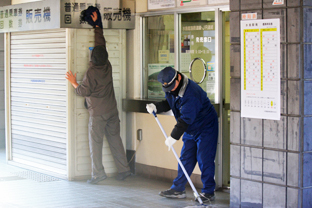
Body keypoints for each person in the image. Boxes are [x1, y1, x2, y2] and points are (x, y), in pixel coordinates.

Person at [65, 6, 131, 184]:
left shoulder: (91, 72)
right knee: (115, 139)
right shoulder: (107, 64)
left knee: (96, 143)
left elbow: (83, 91)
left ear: (92, 58)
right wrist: (97, 27)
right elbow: (102, 45)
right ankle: (124, 170)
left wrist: (73, 81)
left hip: (98, 114)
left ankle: (98, 174)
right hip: (112, 110)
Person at [146, 66, 218, 203]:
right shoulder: (172, 88)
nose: (171, 90)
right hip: (191, 128)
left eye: (172, 87)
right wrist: (156, 107)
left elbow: (185, 119)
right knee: (185, 158)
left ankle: (208, 192)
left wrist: (173, 137)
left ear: (178, 78)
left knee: (204, 158)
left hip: (206, 127)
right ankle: (178, 189)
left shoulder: (192, 93)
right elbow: (169, 102)